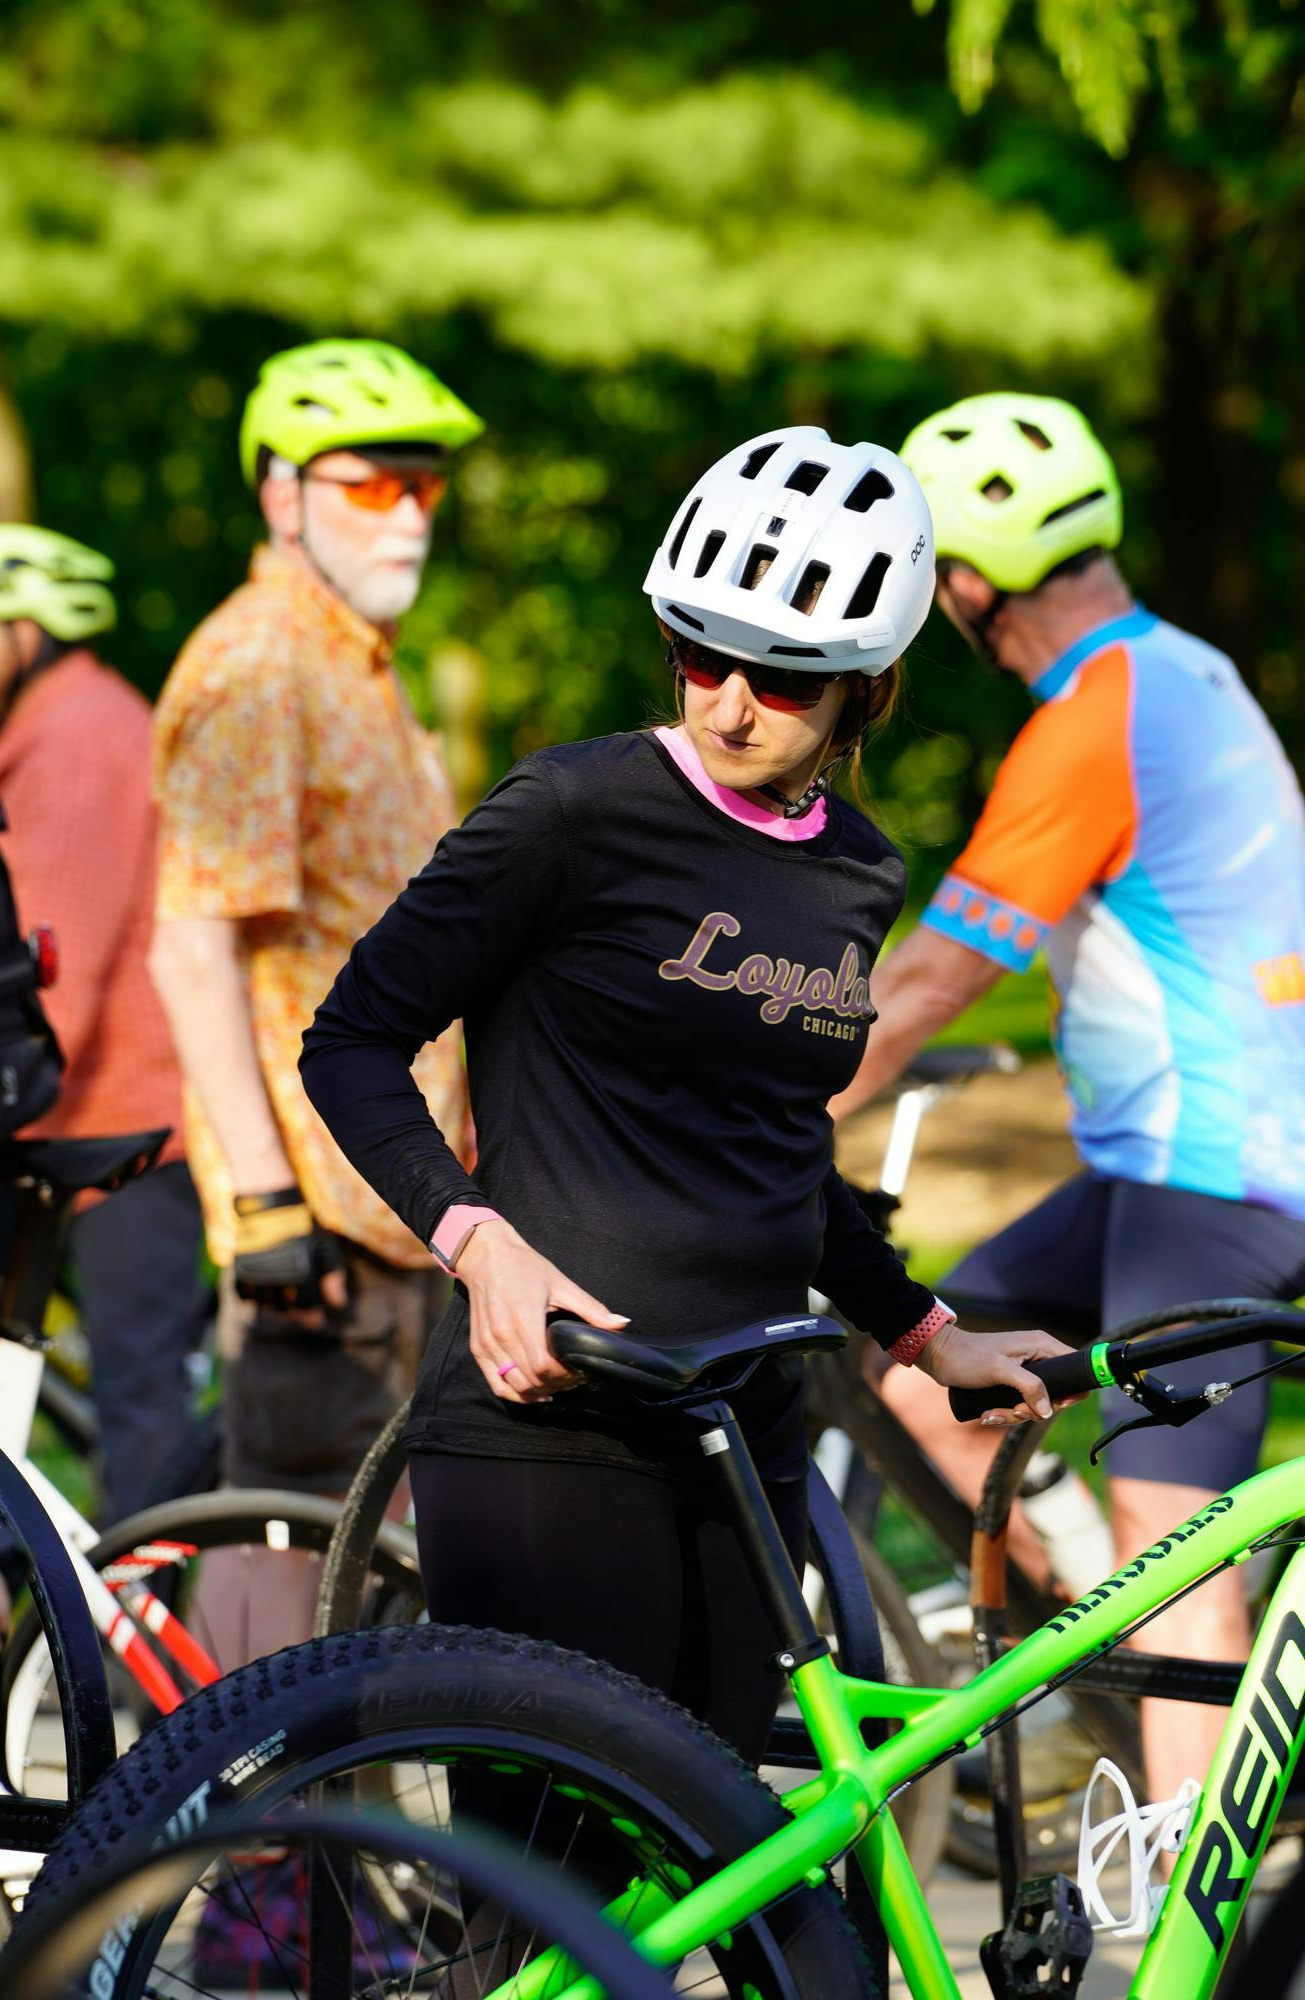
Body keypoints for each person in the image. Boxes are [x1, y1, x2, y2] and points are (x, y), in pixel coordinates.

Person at [299, 425, 1069, 1775]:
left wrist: (920, 1329)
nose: (728, 703)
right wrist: (475, 1242)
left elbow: (771, 1150)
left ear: (866, 688)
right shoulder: (571, 809)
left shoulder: (858, 875)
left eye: (778, 678)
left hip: (743, 1425)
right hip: (551, 1415)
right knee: (547, 1893)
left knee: (711, 1874)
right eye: (700, 655)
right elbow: (352, 1041)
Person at [828, 391, 1305, 1803]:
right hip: (1161, 1168)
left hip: (1213, 1187)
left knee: (1182, 1563)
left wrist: (760, 1121)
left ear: (966, 585)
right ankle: (1103, 1645)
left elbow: (924, 984)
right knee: (918, 1371)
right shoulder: (1184, 668)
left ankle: (1194, 1888)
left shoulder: (1093, 721)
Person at [148, 339, 482, 1655]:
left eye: (425, 487)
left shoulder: (360, 663)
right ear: (282, 495)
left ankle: (298, 1836)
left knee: (339, 1541)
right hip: (317, 1214)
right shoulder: (255, 666)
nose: (405, 513)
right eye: (370, 486)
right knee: (285, 1549)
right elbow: (195, 948)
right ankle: (261, 1850)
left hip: (395, 1194)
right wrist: (262, 1200)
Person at [0, 524, 208, 1525]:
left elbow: (40, 972)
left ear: (25, 629)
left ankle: (150, 1664)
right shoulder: (52, 729)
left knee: (139, 1407)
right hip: (70, 1122)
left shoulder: (78, 739)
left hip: (125, 1132)